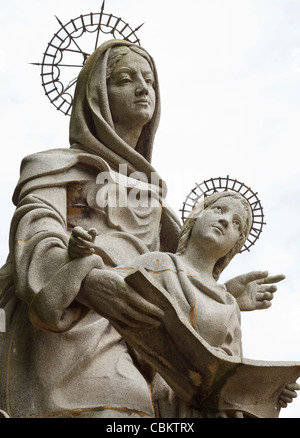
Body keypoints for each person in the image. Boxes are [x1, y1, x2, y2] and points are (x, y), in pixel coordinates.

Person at [0, 39, 181, 418]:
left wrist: (227, 293)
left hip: (138, 342)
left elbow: (180, 280)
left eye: (149, 80)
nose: (142, 88)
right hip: (73, 327)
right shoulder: (56, 167)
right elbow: (34, 234)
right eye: (125, 79)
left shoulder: (157, 203)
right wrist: (86, 279)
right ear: (97, 96)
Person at [70, 191, 299, 417]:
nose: (225, 220)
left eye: (237, 224)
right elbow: (98, 293)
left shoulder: (228, 304)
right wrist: (77, 255)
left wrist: (270, 392)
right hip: (154, 398)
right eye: (219, 209)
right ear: (196, 217)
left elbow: (233, 375)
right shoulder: (157, 263)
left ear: (233, 248)